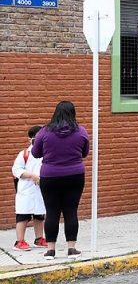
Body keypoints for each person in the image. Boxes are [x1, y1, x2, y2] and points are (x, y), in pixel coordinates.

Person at [31, 101, 89, 260]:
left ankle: (50, 250)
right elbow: (84, 153)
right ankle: (71, 249)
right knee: (71, 211)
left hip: (50, 176)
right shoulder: (81, 131)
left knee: (51, 212)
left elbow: (35, 153)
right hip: (75, 175)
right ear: (73, 113)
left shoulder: (44, 132)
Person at [12, 125, 46, 252]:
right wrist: (32, 176)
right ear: (30, 139)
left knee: (39, 215)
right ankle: (19, 241)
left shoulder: (46, 153)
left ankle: (39, 238)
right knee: (23, 216)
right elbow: (16, 170)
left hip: (40, 190)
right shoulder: (24, 154)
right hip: (26, 190)